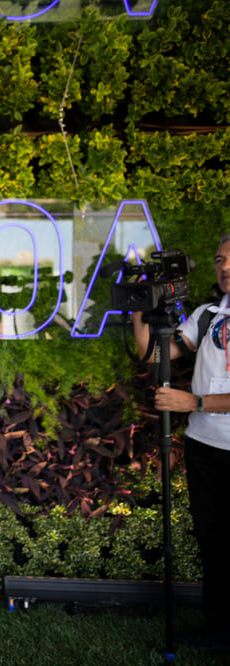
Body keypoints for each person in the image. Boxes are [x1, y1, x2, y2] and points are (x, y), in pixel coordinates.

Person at [133, 234, 230, 651]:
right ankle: (218, 631)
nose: (225, 267)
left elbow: (195, 396)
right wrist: (139, 306)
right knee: (213, 542)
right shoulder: (208, 314)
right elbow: (155, 354)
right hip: (204, 445)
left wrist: (195, 401)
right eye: (220, 258)